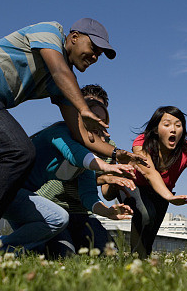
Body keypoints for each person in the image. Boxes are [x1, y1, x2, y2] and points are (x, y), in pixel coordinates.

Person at [0, 18, 142, 253]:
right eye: (93, 48)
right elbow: (58, 69)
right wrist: (83, 109)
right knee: (20, 152)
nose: (95, 57)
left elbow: (83, 137)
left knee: (1, 173)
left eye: (100, 54)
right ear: (74, 37)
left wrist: (118, 154)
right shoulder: (50, 32)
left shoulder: (64, 85)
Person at [0, 95, 134, 254]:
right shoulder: (60, 133)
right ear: (78, 118)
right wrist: (108, 166)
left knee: (35, 245)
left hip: (24, 198)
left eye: (104, 121)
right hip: (4, 189)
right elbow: (74, 154)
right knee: (58, 218)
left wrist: (107, 212)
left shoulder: (88, 160)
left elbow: (89, 196)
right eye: (95, 117)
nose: (99, 124)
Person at [35, 85, 136, 256]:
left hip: (82, 211)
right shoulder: (64, 135)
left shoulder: (106, 147)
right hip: (50, 205)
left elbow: (92, 190)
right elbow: (78, 158)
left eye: (100, 113)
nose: (95, 119)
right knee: (63, 254)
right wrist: (106, 174)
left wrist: (115, 180)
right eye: (89, 109)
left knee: (110, 255)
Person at [118, 106, 187, 258]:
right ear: (156, 129)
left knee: (151, 230)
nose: (173, 129)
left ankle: (142, 260)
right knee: (146, 214)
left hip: (161, 193)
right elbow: (150, 173)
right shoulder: (142, 142)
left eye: (178, 125)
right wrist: (169, 197)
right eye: (167, 124)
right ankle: (135, 259)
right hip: (133, 186)